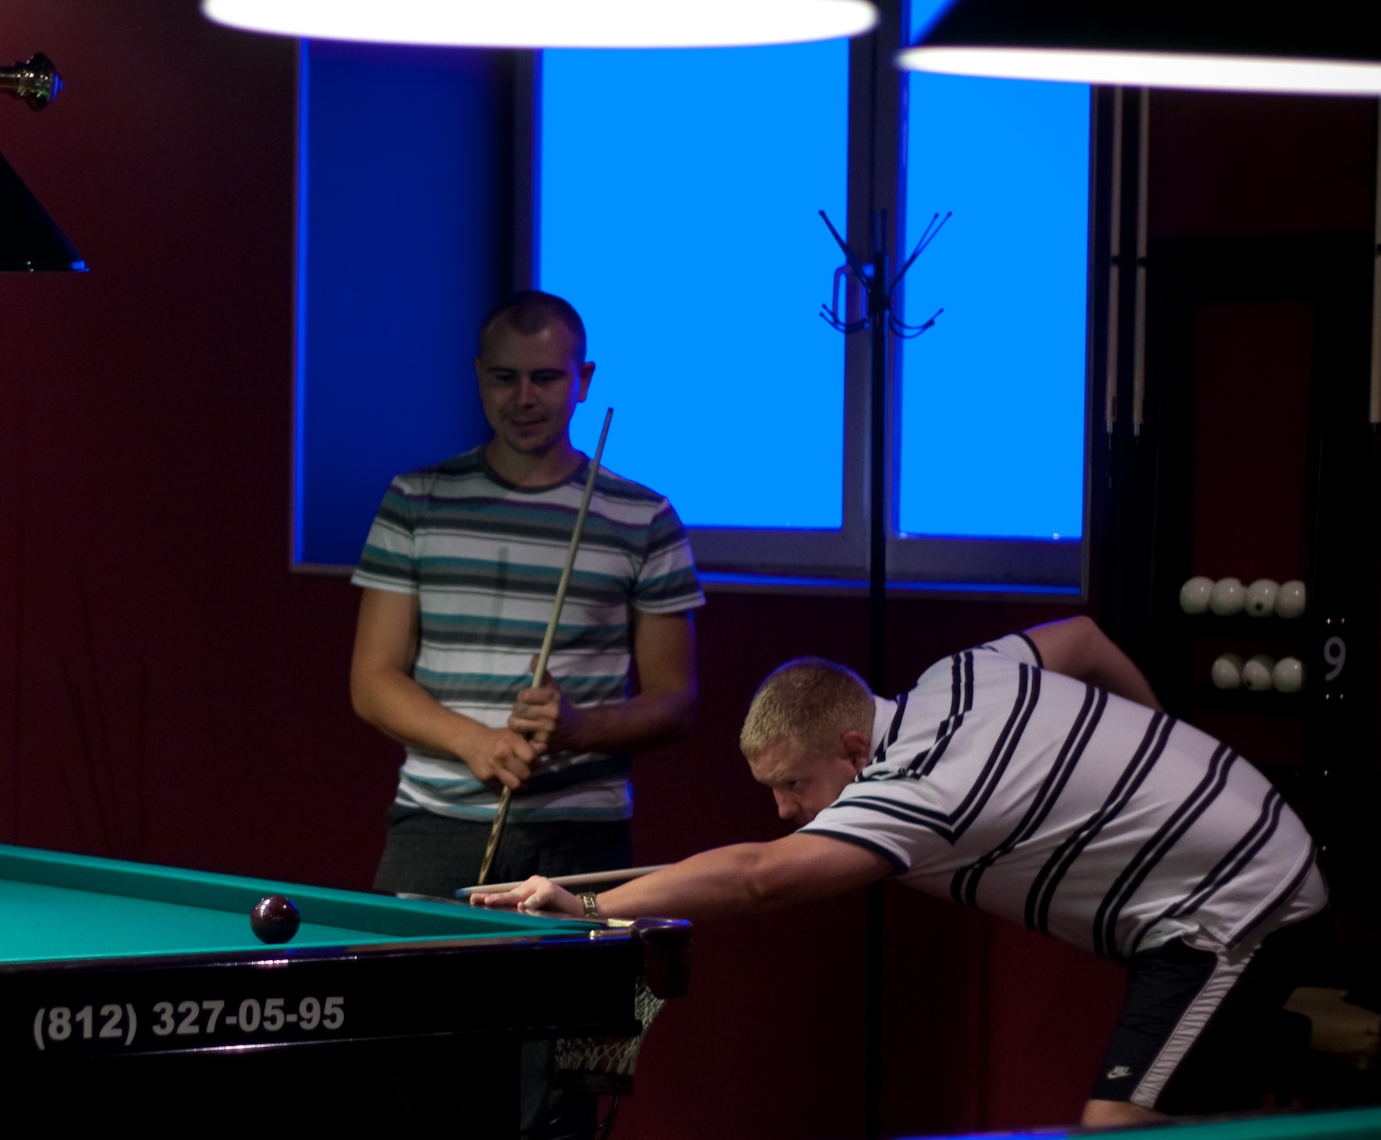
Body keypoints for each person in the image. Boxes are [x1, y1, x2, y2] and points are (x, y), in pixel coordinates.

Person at [474, 616, 1328, 1127]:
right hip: (1234, 859)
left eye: (794, 786)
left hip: (1236, 904)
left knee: (1115, 1127)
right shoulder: (961, 676)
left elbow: (756, 877)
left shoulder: (921, 794)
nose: (785, 810)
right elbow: (1084, 638)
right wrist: (1166, 747)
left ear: (855, 749)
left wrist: (586, 903)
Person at [349, 290, 704, 898]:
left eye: (545, 378)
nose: (524, 398)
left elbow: (675, 702)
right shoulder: (415, 500)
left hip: (581, 833)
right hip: (436, 826)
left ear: (582, 380)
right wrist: (476, 742)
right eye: (504, 378)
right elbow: (372, 681)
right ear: (478, 377)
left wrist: (578, 728)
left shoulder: (644, 517)